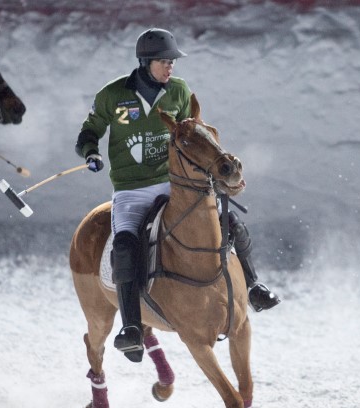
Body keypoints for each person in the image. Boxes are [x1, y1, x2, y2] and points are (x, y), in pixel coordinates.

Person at [75, 28, 280, 362]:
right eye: (163, 61)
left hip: (174, 183)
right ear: (145, 62)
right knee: (125, 246)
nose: (170, 67)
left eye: (171, 61)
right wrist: (90, 152)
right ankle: (130, 328)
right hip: (132, 189)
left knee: (231, 222)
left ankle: (254, 287)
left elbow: (193, 134)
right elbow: (90, 129)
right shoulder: (113, 95)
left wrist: (215, 166)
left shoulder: (180, 91)